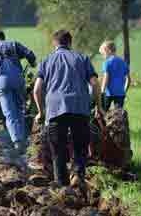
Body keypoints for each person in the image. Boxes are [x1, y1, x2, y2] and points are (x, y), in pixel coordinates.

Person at [34, 30, 103, 187]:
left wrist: (40, 112)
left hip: (55, 109)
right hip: (80, 108)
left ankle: (62, 186)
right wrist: (99, 107)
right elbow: (95, 84)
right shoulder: (82, 58)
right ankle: (78, 174)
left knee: (57, 151)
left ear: (55, 43)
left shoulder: (46, 60)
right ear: (70, 43)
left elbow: (37, 89)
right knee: (80, 146)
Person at [0, 30, 36, 153]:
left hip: (1, 81)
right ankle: (23, 138)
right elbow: (30, 54)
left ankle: (17, 142)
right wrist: (32, 63)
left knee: (9, 113)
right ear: (3, 38)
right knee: (19, 109)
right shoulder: (13, 44)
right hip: (18, 78)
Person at [99, 41, 131, 111]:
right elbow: (128, 79)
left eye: (103, 54)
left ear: (109, 51)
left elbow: (106, 78)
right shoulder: (123, 62)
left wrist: (102, 91)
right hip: (120, 94)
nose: (103, 56)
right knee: (118, 115)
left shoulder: (107, 63)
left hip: (108, 94)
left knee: (104, 113)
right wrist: (124, 91)